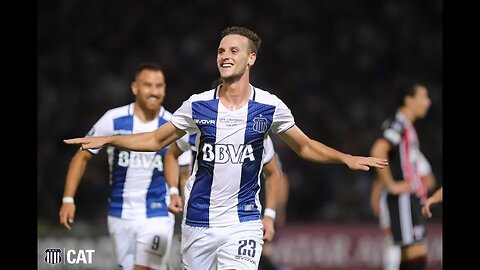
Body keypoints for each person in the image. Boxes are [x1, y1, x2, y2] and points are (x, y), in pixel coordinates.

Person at [64, 26, 388, 270]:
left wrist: (344, 157)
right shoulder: (197, 105)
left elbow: (303, 146)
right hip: (198, 223)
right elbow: (155, 141)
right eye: (221, 51)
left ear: (251, 58)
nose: (225, 56)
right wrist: (109, 139)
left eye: (234, 50)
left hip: (243, 223)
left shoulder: (269, 106)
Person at [59, 63, 191, 270]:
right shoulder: (114, 119)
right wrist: (68, 199)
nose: (154, 92)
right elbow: (81, 158)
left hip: (158, 212)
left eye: (159, 86)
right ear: (135, 88)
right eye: (148, 85)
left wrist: (187, 218)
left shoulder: (173, 124)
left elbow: (185, 174)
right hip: (119, 213)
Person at [370, 81, 432, 270]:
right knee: (417, 256)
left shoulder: (407, 126)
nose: (428, 102)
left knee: (411, 257)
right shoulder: (398, 124)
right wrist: (392, 184)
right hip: (403, 198)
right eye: (424, 96)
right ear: (409, 100)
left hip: (410, 198)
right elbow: (378, 150)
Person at [370, 151, 436, 270]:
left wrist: (415, 189)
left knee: (412, 246)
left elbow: (430, 181)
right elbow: (379, 181)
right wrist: (376, 201)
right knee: (392, 241)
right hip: (391, 204)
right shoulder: (390, 155)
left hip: (411, 206)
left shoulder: (413, 154)